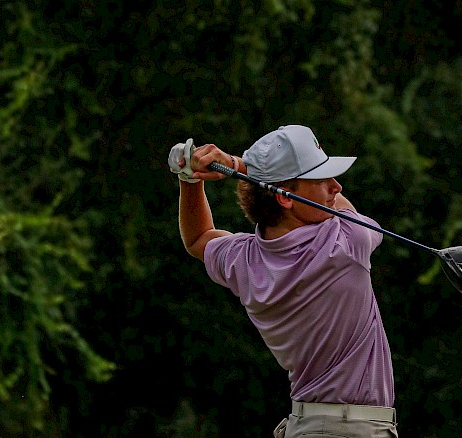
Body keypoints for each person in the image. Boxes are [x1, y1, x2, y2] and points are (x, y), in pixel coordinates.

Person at [168, 125, 398, 438]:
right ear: (285, 198)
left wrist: (189, 179)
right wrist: (238, 165)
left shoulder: (245, 260)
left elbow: (197, 238)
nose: (336, 186)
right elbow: (340, 203)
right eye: (321, 179)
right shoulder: (345, 242)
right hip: (354, 430)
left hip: (304, 426)